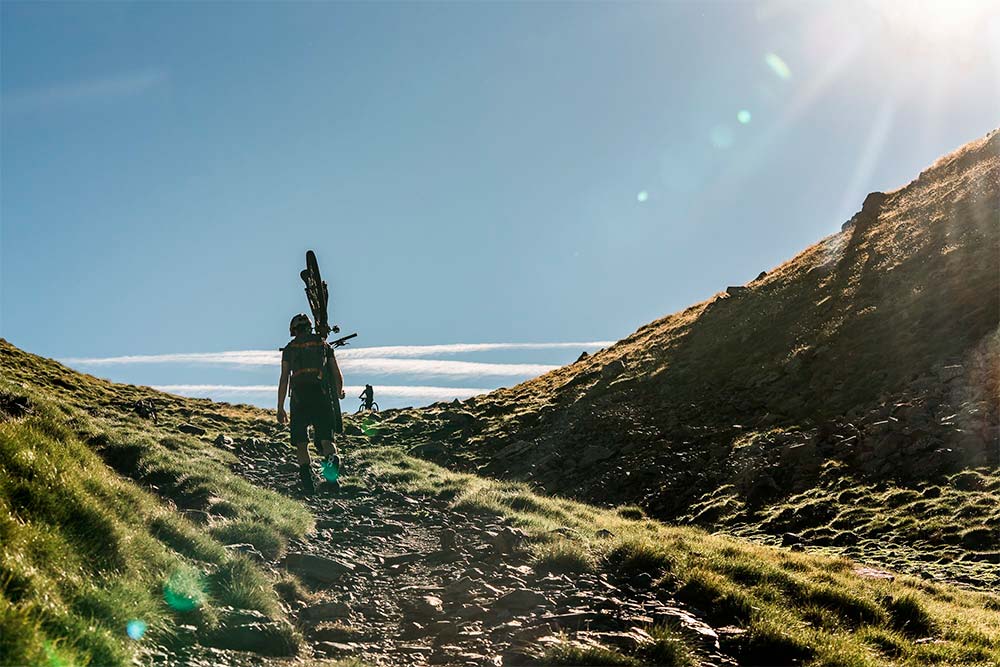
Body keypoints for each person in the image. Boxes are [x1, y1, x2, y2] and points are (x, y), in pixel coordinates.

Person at [277, 313, 346, 493]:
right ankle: (331, 478)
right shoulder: (323, 345)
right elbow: (336, 371)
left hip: (299, 398)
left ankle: (308, 484)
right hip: (321, 396)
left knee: (301, 442)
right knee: (326, 439)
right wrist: (339, 392)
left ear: (293, 330)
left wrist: (280, 407)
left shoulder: (289, 349)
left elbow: (284, 379)